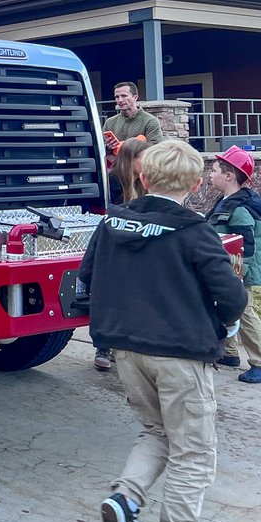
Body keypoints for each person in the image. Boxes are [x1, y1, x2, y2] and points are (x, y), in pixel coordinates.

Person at [78, 140, 246, 522]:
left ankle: (126, 497)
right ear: (194, 184)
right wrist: (222, 325)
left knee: (156, 430)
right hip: (181, 355)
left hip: (126, 350)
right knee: (194, 452)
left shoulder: (112, 223)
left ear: (143, 176)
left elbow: (87, 276)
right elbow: (231, 296)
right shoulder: (194, 231)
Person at [94, 138, 152, 372]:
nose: (149, 164)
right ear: (131, 159)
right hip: (115, 246)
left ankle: (127, 346)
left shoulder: (145, 183)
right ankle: (103, 348)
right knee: (111, 298)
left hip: (137, 247)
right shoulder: (111, 181)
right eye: (144, 159)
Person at [206, 145, 261, 382]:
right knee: (225, 307)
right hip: (230, 269)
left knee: (244, 311)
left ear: (229, 176)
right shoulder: (227, 201)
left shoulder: (239, 208)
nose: (210, 174)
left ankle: (259, 361)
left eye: (214, 170)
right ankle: (229, 353)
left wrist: (239, 275)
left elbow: (246, 245)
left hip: (240, 271)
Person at [103, 82, 164, 150]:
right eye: (117, 97)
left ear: (135, 98)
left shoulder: (150, 121)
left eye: (124, 96)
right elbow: (100, 147)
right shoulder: (110, 122)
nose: (120, 100)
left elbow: (156, 147)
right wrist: (108, 147)